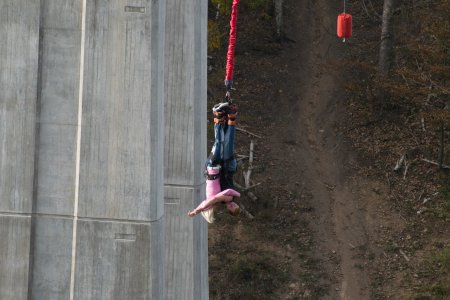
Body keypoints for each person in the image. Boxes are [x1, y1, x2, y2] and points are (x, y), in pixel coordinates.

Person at [188, 101, 240, 223]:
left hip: (220, 167)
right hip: (228, 167)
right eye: (235, 206)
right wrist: (201, 208)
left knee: (222, 143)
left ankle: (220, 115)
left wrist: (197, 210)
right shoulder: (232, 196)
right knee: (228, 143)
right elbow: (216, 198)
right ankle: (229, 116)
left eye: (231, 208)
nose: (232, 205)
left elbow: (212, 199)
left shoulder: (224, 199)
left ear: (228, 208)